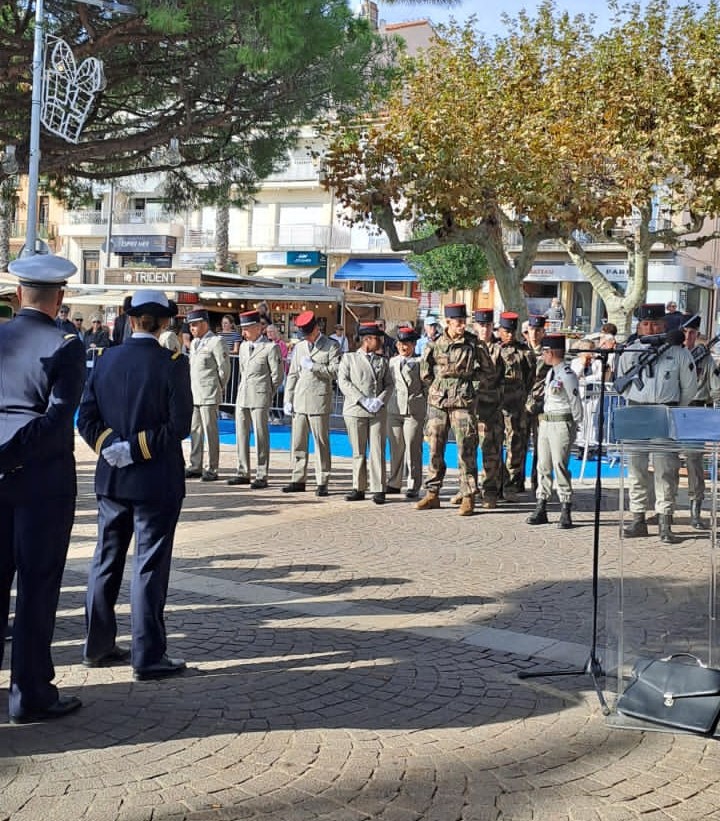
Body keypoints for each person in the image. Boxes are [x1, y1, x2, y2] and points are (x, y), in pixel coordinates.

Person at [78, 289, 193, 681]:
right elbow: (179, 426)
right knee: (149, 565)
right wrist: (136, 448)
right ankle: (147, 656)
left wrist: (111, 446)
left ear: (130, 320)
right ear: (164, 323)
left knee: (105, 560)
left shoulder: (106, 359)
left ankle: (97, 645)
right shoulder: (173, 363)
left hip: (112, 477)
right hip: (156, 479)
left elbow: (85, 418)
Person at [0, 253, 86, 724]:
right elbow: (57, 422)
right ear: (60, 297)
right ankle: (30, 694)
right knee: (38, 586)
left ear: (18, 295)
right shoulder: (66, 345)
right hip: (42, 480)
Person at [616, 304, 697, 543]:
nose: (651, 328)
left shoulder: (678, 352)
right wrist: (638, 400)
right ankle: (638, 518)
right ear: (639, 327)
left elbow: (689, 388)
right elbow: (622, 384)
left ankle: (665, 521)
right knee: (636, 469)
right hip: (636, 412)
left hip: (664, 412)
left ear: (664, 325)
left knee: (666, 469)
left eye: (656, 324)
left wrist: (670, 406)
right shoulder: (630, 351)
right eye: (646, 324)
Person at [416, 303, 494, 516]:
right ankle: (432, 493)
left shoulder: (473, 344)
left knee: (466, 448)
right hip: (438, 402)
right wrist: (438, 387)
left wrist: (470, 384)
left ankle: (468, 496)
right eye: (458, 322)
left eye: (463, 321)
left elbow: (488, 370)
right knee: (434, 447)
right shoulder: (435, 344)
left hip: (463, 402)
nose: (462, 325)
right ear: (447, 322)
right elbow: (425, 373)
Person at [526, 334, 583, 528]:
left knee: (559, 465)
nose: (543, 356)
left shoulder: (567, 375)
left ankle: (565, 507)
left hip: (561, 423)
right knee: (543, 465)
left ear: (550, 352)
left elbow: (575, 403)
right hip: (546, 422)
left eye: (544, 352)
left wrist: (575, 425)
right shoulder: (551, 373)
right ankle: (541, 504)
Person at [282, 311, 342, 496]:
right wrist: (288, 398)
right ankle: (298, 478)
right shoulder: (300, 347)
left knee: (321, 443)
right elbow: (293, 374)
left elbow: (335, 371)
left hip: (319, 400)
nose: (306, 338)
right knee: (298, 442)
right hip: (300, 399)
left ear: (316, 328)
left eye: (308, 334)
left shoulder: (331, 345)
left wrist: (314, 366)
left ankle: (322, 480)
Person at [227, 310, 284, 489]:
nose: (243, 332)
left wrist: (267, 393)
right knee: (241, 435)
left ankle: (261, 473)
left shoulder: (270, 348)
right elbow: (243, 371)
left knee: (261, 435)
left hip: (260, 396)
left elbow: (277, 376)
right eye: (242, 328)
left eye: (246, 328)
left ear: (258, 328)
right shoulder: (244, 347)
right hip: (243, 396)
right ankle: (243, 471)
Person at [337, 321, 391, 504]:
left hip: (377, 411)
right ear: (367, 340)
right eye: (377, 338)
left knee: (377, 450)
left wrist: (380, 400)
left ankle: (378, 488)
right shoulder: (349, 359)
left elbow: (389, 384)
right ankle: (358, 487)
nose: (380, 342)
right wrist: (362, 399)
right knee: (358, 451)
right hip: (356, 410)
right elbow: (343, 382)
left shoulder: (382, 360)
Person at [186, 308, 230, 481]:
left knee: (210, 431)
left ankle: (212, 467)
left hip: (209, 393)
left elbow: (224, 369)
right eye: (190, 325)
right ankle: (195, 465)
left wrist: (218, 386)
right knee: (195, 430)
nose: (192, 328)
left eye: (195, 325)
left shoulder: (216, 341)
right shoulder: (195, 344)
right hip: (195, 393)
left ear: (204, 324)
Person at [468, 309, 505, 508]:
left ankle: (490, 492)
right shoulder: (468, 347)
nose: (485, 329)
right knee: (467, 450)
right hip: (468, 407)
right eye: (481, 325)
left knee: (490, 451)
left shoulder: (500, 350)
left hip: (491, 407)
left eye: (488, 325)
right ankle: (468, 490)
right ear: (475, 326)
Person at [496, 311, 534, 499]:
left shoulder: (524, 352)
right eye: (506, 331)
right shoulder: (493, 349)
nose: (509, 335)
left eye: (512, 331)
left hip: (516, 406)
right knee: (493, 445)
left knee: (514, 445)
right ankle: (494, 483)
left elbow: (530, 378)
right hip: (494, 405)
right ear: (500, 331)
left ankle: (510, 485)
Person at [386, 325, 427, 499]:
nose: (404, 347)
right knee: (396, 447)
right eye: (401, 344)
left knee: (412, 447)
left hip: (412, 410)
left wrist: (421, 401)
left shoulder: (420, 362)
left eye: (407, 344)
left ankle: (413, 483)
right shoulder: (392, 362)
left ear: (414, 345)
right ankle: (394, 482)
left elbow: (427, 386)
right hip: (394, 409)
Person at [682, 314, 711, 530]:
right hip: (672, 410)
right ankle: (664, 511)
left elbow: (716, 388)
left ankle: (695, 511)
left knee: (694, 463)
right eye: (684, 332)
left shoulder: (706, 359)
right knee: (666, 463)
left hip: (695, 411)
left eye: (692, 333)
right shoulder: (669, 354)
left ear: (697, 335)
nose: (687, 337)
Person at [524, 315, 550, 493]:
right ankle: (516, 482)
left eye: (538, 330)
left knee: (541, 445)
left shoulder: (548, 353)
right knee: (518, 444)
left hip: (541, 405)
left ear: (543, 332)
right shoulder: (520, 350)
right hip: (521, 403)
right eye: (532, 330)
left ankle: (537, 481)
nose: (534, 334)